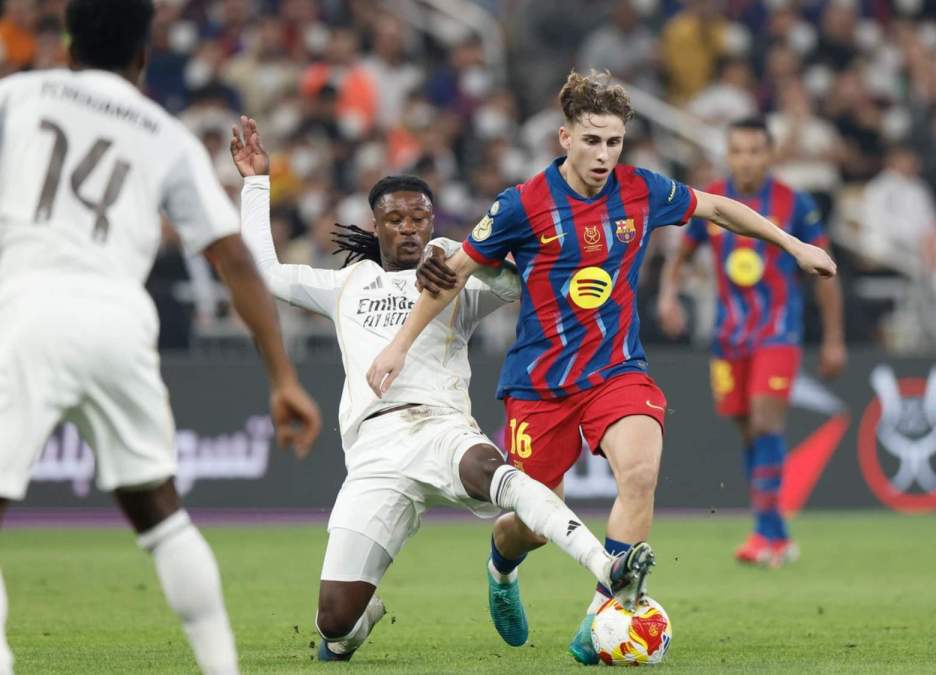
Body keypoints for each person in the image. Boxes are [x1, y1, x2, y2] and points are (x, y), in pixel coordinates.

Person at [365, 69, 836, 665]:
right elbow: (453, 274)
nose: (604, 155)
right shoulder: (523, 203)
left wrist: (793, 246)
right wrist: (400, 344)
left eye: (614, 142)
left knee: (639, 473)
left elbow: (716, 208)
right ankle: (501, 565)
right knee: (532, 525)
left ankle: (599, 620)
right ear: (565, 137)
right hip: (540, 385)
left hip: (617, 371)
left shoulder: (642, 191)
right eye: (592, 141)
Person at [228, 117, 655, 663]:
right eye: (396, 219)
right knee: (334, 625)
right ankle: (358, 622)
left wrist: (472, 257)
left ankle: (608, 569)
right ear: (376, 225)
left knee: (498, 473)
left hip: (442, 429)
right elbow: (263, 273)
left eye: (419, 217)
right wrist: (255, 183)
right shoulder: (345, 285)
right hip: (375, 455)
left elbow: (523, 281)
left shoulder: (455, 274)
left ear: (432, 221)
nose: (409, 228)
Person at [0, 2, 323, 674]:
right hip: (120, 320)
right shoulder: (163, 132)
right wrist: (283, 379)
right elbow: (234, 260)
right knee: (161, 514)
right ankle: (221, 666)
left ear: (66, 49)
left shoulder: (18, 95)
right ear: (143, 59)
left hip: (27, 309)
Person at [657, 117, 846, 567]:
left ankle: (765, 534)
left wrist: (833, 338)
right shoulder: (714, 202)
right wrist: (668, 296)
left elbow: (825, 272)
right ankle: (777, 533)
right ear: (728, 153)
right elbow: (680, 253)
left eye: (754, 150)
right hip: (729, 337)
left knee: (765, 422)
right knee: (747, 430)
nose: (745, 159)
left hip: (778, 332)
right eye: (737, 150)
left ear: (770, 153)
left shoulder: (793, 203)